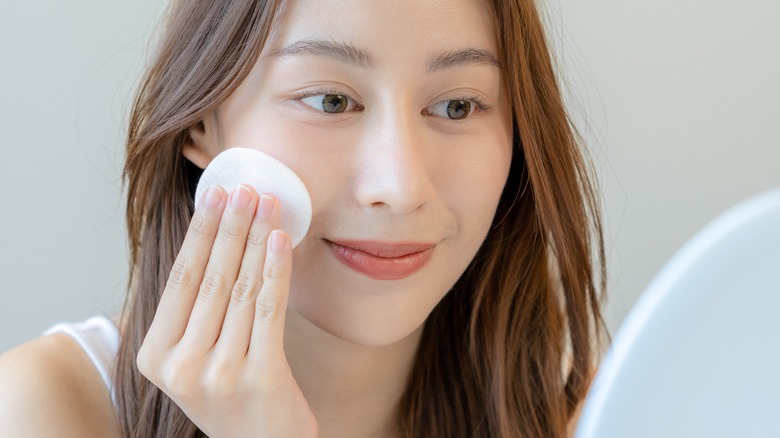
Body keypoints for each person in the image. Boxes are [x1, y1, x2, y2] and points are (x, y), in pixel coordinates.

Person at [0, 0, 606, 436]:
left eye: (456, 105)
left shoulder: (583, 410)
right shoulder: (44, 411)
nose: (398, 187)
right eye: (331, 101)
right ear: (200, 124)